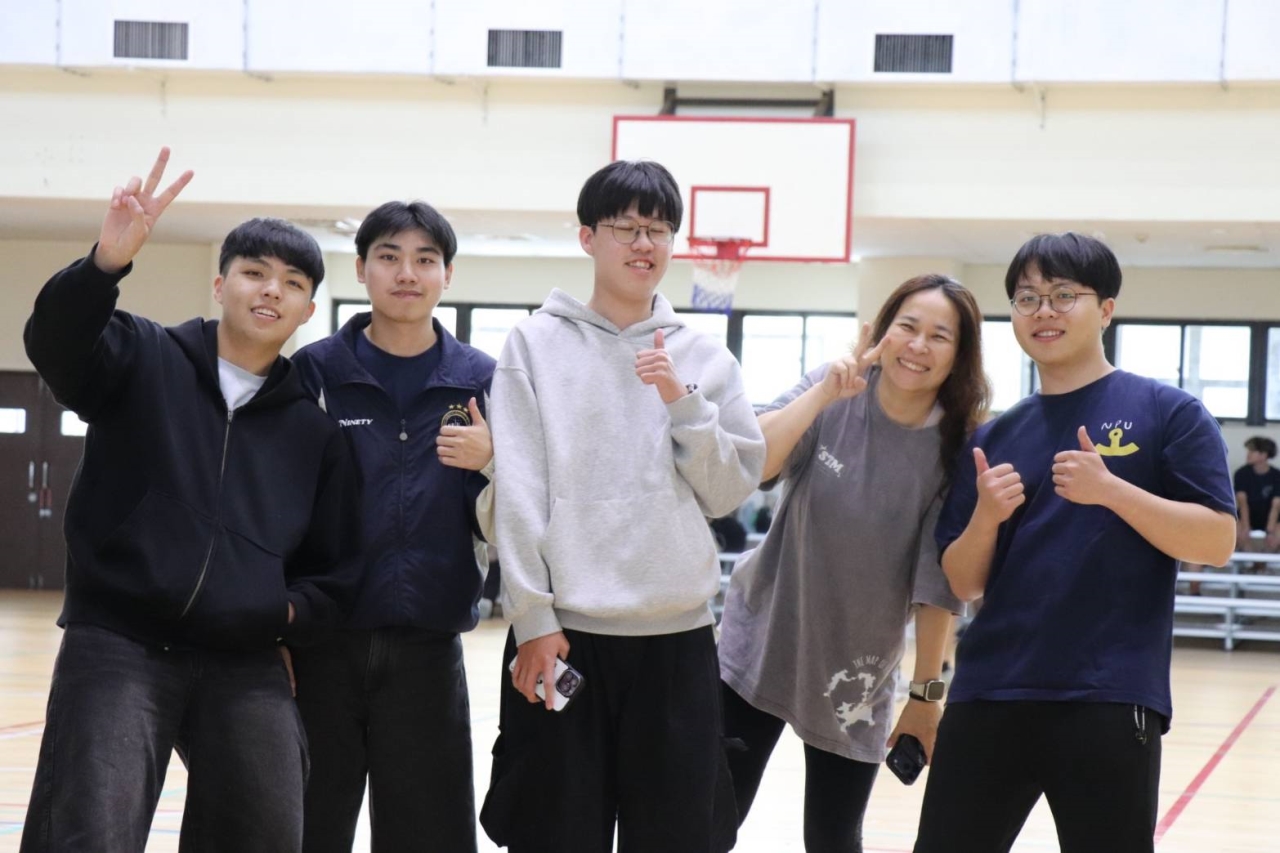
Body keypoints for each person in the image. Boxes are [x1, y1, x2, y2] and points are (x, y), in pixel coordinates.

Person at [20, 148, 363, 853]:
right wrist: (104, 265)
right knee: (90, 828)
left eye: (293, 282)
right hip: (120, 640)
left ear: (308, 308)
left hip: (243, 658)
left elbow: (332, 570)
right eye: (254, 272)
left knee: (268, 827)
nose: (271, 290)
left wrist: (282, 614)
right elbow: (54, 344)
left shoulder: (314, 432)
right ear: (220, 283)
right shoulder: (142, 356)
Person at [913, 233, 1236, 853]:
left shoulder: (1169, 411)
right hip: (989, 691)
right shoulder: (993, 436)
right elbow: (964, 581)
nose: (1044, 311)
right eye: (1027, 298)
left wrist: (1112, 491)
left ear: (1106, 309)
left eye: (1064, 295)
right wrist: (986, 517)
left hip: (1107, 695)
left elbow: (1216, 541)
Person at [479, 159, 766, 853]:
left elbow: (729, 491)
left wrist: (682, 403)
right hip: (564, 636)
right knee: (553, 836)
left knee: (677, 839)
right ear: (588, 237)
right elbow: (518, 489)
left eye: (659, 229)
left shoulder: (706, 356)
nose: (645, 243)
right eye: (627, 227)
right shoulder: (533, 344)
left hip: (676, 643)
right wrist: (533, 617)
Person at [717, 275, 989, 852]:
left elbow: (937, 585)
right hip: (762, 639)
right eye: (907, 327)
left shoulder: (957, 448)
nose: (918, 345)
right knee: (709, 822)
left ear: (959, 356)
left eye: (939, 336)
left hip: (855, 674)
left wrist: (925, 698)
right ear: (882, 331)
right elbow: (755, 462)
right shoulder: (834, 388)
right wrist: (822, 395)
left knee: (834, 838)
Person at [290, 201, 496, 853]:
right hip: (322, 646)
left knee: (430, 837)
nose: (407, 273)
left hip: (428, 649)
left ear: (447, 274)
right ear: (361, 269)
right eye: (389, 257)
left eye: (425, 259)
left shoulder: (481, 381)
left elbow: (515, 510)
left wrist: (496, 461)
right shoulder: (315, 372)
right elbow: (279, 505)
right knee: (308, 828)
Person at [1233, 435, 1280, 556]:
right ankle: (1253, 562)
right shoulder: (1241, 474)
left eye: (1252, 451)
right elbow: (1242, 502)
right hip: (1247, 516)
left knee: (1277, 535)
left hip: (1270, 517)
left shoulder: (1277, 476)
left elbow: (1276, 505)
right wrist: (1246, 527)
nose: (1248, 454)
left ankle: (1262, 563)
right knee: (1236, 530)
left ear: (1263, 455)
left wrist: (1270, 531)